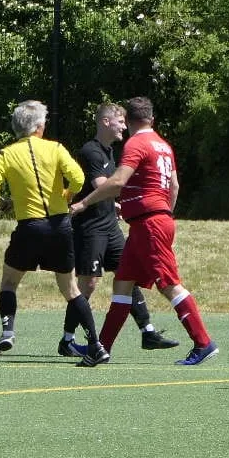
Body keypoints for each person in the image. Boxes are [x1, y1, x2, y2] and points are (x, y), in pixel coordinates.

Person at [70, 96, 218, 367]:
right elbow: (173, 186)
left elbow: (118, 181)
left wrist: (84, 202)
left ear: (128, 120)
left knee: (169, 284)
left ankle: (203, 342)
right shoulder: (163, 145)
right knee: (122, 283)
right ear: (151, 118)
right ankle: (101, 348)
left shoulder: (136, 143)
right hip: (149, 222)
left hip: (149, 224)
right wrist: (165, 212)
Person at [0, 100, 99, 360]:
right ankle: (96, 344)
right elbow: (78, 178)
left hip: (29, 228)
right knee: (71, 290)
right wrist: (67, 195)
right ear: (38, 127)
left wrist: (2, 204)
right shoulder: (55, 148)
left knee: (9, 282)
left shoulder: (5, 155)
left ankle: (7, 332)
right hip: (60, 226)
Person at [66, 102, 178, 355]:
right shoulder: (91, 151)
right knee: (89, 284)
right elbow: (103, 185)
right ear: (105, 122)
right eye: (119, 122)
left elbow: (112, 187)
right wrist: (138, 191)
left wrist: (119, 203)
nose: (123, 127)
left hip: (110, 226)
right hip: (91, 226)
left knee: (127, 275)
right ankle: (67, 339)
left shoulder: (110, 151)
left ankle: (147, 331)